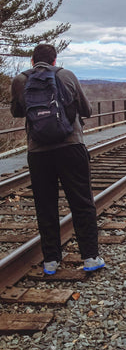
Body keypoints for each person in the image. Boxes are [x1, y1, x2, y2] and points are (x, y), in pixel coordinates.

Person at [10, 44, 105, 274]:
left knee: (45, 205)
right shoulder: (66, 75)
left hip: (38, 151)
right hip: (71, 146)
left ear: (32, 61)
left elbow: (17, 112)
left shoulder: (21, 80)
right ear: (55, 60)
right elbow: (87, 110)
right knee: (82, 202)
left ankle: (51, 260)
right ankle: (90, 257)